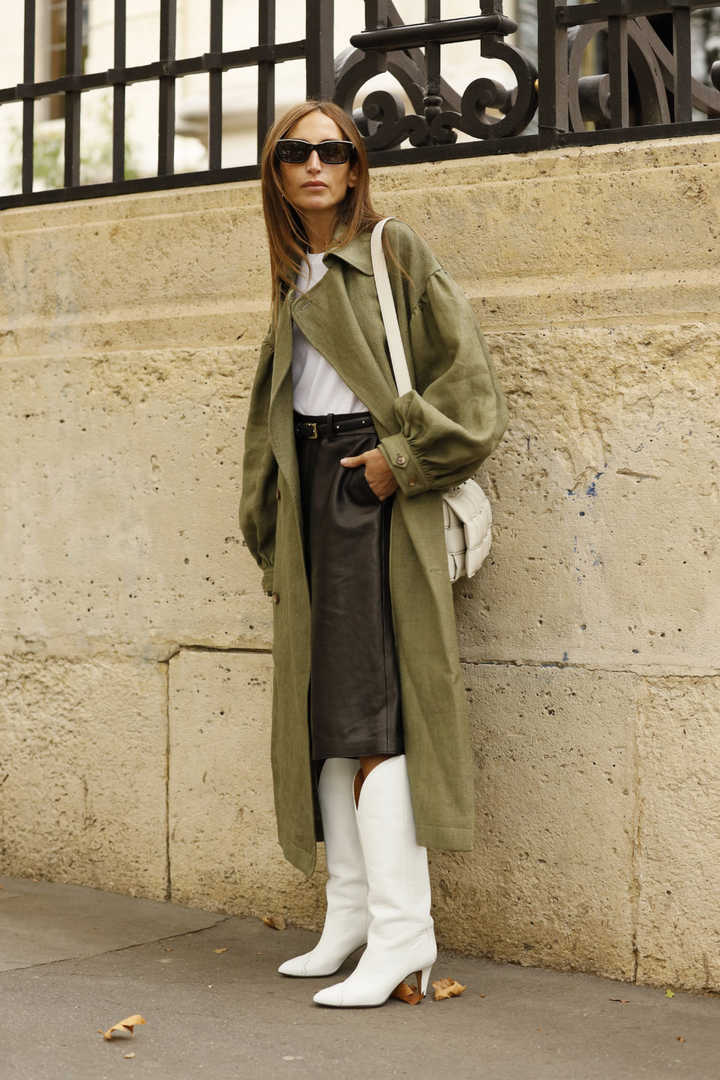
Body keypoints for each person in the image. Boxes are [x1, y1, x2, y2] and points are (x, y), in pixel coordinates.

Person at [239, 99, 508, 1008]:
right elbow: (270, 411)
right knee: (325, 715)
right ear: (275, 173)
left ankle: (404, 936)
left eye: (334, 151)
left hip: (369, 489)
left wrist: (395, 466)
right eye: (295, 153)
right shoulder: (293, 272)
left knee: (374, 719)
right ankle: (350, 916)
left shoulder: (393, 251)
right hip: (313, 494)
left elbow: (471, 392)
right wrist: (271, 521)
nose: (315, 165)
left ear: (357, 167)